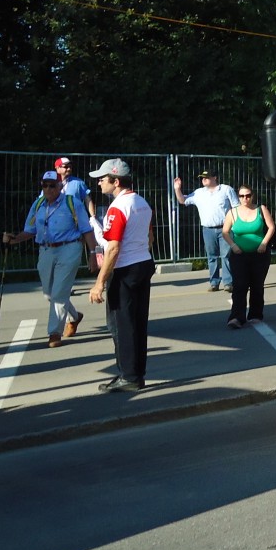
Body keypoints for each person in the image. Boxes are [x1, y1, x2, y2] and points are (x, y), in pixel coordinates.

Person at [2, 170, 99, 347]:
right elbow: (29, 231)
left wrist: (93, 254)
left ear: (60, 186)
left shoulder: (72, 203)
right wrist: (14, 239)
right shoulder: (38, 204)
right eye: (44, 185)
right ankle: (75, 316)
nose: (48, 189)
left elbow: (86, 229)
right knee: (49, 293)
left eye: (52, 185)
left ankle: (54, 333)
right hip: (46, 250)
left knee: (59, 291)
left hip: (69, 248)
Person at [88, 159, 154, 392]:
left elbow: (113, 248)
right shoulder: (141, 202)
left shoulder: (118, 207)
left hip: (125, 269)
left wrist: (99, 283)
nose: (99, 183)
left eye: (103, 179)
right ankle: (136, 374)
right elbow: (150, 237)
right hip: (143, 263)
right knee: (137, 322)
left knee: (120, 325)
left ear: (116, 181)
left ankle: (128, 375)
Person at [222, 184, 276, 328]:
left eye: (248, 195)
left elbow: (271, 227)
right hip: (239, 255)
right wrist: (233, 246)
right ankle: (236, 317)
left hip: (259, 255)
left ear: (252, 195)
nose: (245, 198)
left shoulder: (260, 209)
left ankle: (255, 314)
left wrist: (264, 243)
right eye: (241, 196)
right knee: (240, 285)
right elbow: (225, 232)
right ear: (238, 197)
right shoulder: (232, 213)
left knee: (257, 285)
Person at [173, 170, 237, 292]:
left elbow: (236, 207)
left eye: (206, 177)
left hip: (225, 228)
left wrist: (235, 226)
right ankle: (214, 283)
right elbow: (183, 200)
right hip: (208, 229)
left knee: (226, 256)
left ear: (215, 178)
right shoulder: (199, 193)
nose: (203, 179)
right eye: (202, 178)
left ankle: (228, 282)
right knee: (211, 256)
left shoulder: (225, 189)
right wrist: (177, 189)